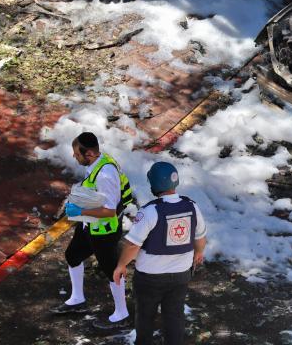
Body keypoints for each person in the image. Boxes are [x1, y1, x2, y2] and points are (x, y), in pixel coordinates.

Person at [113, 162, 207, 345]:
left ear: (154, 185)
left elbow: (132, 245)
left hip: (150, 277)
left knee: (145, 317)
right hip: (181, 274)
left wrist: (121, 265)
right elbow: (201, 237)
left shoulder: (150, 211)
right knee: (174, 316)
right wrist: (199, 253)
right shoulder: (192, 206)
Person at [50, 132, 134, 330]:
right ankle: (77, 299)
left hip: (104, 230)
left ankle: (122, 314)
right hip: (90, 223)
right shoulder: (96, 163)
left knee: (112, 270)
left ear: (88, 154)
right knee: (73, 255)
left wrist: (80, 210)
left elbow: (109, 211)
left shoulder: (105, 175)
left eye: (76, 154)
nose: (74, 157)